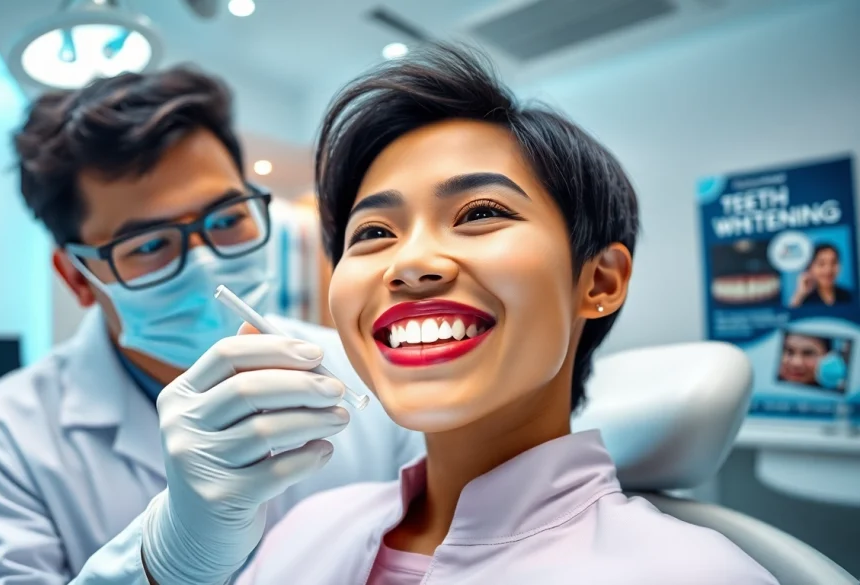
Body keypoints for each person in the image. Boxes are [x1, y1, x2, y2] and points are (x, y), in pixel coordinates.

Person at [234, 45, 779, 584]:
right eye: (374, 232)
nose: (411, 264)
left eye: (480, 214)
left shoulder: (696, 574)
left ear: (600, 281)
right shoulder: (303, 530)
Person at [0, 64, 423, 585]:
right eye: (150, 245)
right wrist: (167, 561)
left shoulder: (366, 368)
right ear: (76, 278)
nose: (206, 261)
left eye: (227, 219)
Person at [789, 243, 853, 307]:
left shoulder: (849, 296)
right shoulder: (803, 300)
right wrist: (800, 294)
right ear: (810, 268)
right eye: (821, 264)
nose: (828, 270)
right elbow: (790, 312)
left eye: (833, 262)